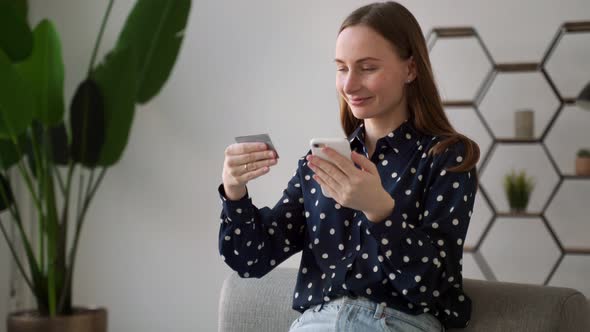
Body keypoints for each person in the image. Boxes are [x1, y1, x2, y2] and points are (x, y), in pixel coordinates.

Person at [217, 2, 479, 331]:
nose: (349, 85)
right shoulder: (322, 163)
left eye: (367, 68)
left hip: (397, 323)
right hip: (315, 323)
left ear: (410, 69)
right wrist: (234, 190)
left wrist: (381, 212)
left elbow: (432, 287)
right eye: (342, 68)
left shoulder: (446, 157)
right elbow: (251, 259)